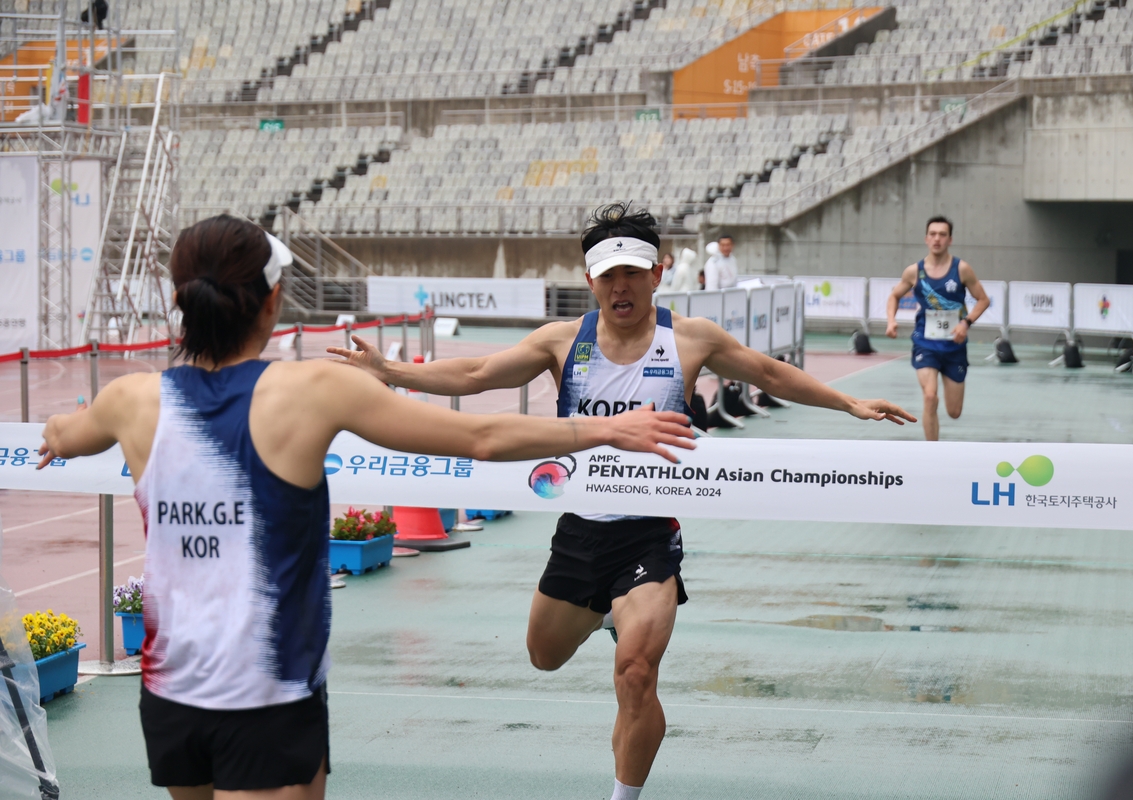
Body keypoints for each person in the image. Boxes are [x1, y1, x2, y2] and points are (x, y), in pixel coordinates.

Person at [35, 215, 695, 800]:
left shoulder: (130, 400)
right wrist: (607, 429)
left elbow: (64, 434)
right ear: (272, 303)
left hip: (171, 694)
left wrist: (55, 435)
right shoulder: (313, 389)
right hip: (269, 691)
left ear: (179, 302)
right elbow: (482, 438)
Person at [329, 202, 915, 800]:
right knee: (543, 655)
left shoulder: (688, 340)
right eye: (608, 275)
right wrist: (391, 371)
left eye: (633, 272)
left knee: (635, 673)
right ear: (590, 281)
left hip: (651, 534)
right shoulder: (564, 342)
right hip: (581, 529)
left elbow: (769, 372)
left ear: (657, 273)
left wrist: (850, 405)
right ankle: (610, 610)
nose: (621, 286)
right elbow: (478, 372)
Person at [885, 215, 990, 442]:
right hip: (926, 343)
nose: (937, 239)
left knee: (954, 412)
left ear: (950, 239)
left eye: (942, 234)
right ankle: (932, 453)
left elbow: (983, 299)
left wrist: (966, 323)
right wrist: (891, 320)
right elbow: (894, 296)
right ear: (926, 238)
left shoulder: (961, 269)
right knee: (930, 397)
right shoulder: (914, 271)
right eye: (933, 234)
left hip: (954, 346)